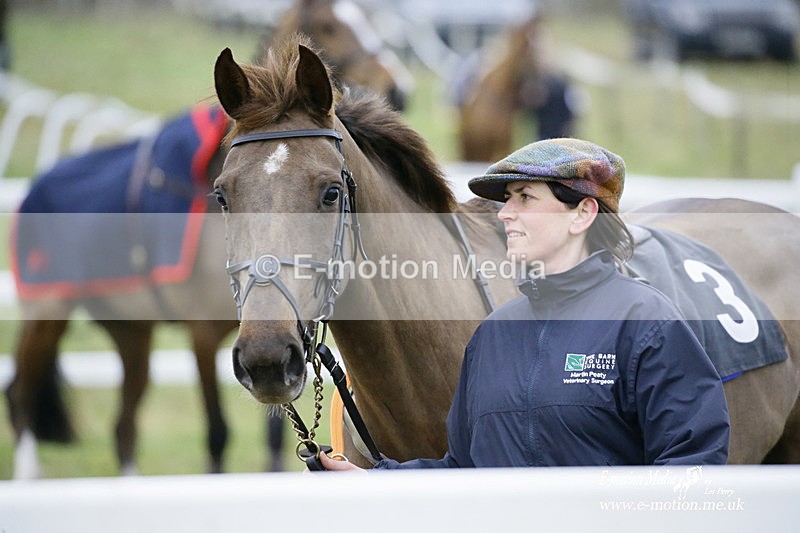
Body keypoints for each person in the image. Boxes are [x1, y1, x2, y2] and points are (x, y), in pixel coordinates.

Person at [321, 138, 730, 470]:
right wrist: (372, 483)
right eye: (507, 199)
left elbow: (693, 465)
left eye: (525, 198)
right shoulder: (492, 334)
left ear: (583, 213)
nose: (504, 214)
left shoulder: (647, 324)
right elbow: (462, 470)